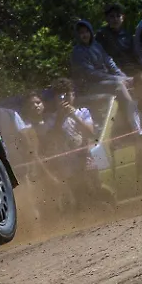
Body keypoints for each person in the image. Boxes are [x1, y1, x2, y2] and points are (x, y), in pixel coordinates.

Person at [70, 19, 142, 138]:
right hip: (87, 87)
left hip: (104, 82)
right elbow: (91, 74)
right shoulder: (77, 52)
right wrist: (117, 79)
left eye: (86, 32)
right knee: (119, 85)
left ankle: (136, 123)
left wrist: (124, 77)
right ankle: (136, 129)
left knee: (131, 82)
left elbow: (109, 62)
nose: (84, 35)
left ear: (90, 32)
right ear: (78, 36)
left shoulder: (97, 46)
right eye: (81, 33)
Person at [47, 79, 115, 209]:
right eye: (61, 96)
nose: (65, 99)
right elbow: (52, 137)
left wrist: (73, 116)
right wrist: (60, 117)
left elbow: (90, 132)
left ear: (73, 95)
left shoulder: (83, 112)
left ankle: (104, 211)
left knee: (95, 188)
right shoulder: (52, 119)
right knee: (78, 194)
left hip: (87, 158)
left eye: (68, 94)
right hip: (68, 163)